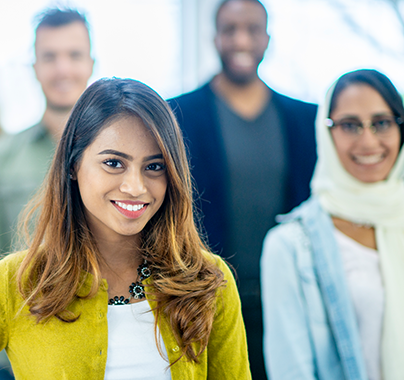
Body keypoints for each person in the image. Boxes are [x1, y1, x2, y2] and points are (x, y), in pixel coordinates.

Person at [0, 78, 251, 379]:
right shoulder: (15, 285)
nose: (135, 187)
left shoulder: (209, 281)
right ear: (74, 165)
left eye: (154, 166)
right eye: (113, 163)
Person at [166, 1, 317, 377]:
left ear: (267, 37)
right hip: (204, 303)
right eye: (230, 29)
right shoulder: (178, 116)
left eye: (252, 29)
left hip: (288, 304)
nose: (241, 39)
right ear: (215, 37)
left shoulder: (304, 120)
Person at [0, 8, 94, 378]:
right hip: (18, 358)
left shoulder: (124, 160)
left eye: (73, 55)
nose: (62, 69)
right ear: (34, 67)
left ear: (91, 62)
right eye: (49, 57)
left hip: (105, 349)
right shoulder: (0, 160)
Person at [261, 69, 404, 380]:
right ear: (326, 132)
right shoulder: (290, 247)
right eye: (350, 125)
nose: (368, 141)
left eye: (382, 123)